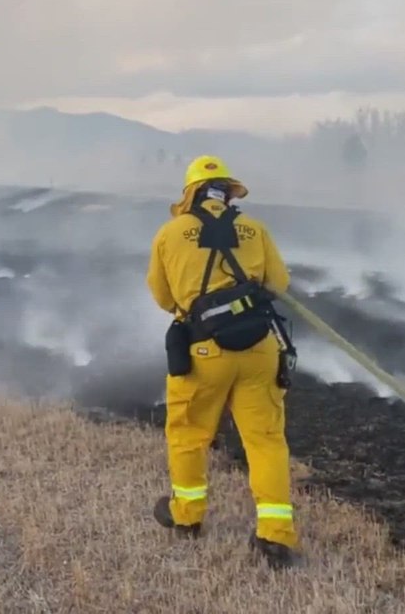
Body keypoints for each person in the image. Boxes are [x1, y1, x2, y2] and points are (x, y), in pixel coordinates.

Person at [145, 154, 300, 569]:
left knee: (189, 435)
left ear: (190, 192)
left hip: (202, 351)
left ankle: (188, 517)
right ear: (229, 192)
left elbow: (163, 297)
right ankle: (276, 537)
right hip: (258, 348)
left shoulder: (170, 232)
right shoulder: (256, 229)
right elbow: (279, 285)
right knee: (266, 441)